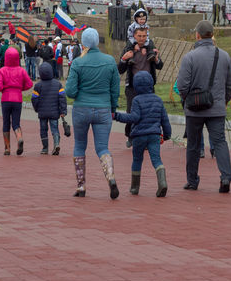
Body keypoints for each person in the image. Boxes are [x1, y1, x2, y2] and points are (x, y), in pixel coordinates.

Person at [176, 20, 231, 193]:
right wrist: (223, 100)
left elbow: (182, 85)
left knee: (194, 145)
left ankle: (192, 180)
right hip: (216, 108)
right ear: (212, 34)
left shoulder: (190, 57)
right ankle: (225, 177)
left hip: (194, 110)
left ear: (197, 35)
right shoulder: (224, 56)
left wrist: (188, 99)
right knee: (220, 142)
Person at [65, 28, 121, 199]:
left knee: (79, 146)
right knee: (102, 147)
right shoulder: (110, 61)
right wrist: (112, 108)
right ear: (97, 42)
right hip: (103, 108)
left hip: (81, 108)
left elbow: (70, 91)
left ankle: (81, 186)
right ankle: (110, 177)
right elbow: (115, 89)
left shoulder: (77, 63)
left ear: (83, 43)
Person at [114, 71, 171, 197]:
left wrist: (117, 116)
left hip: (139, 136)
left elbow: (134, 117)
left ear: (136, 86)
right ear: (151, 84)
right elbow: (164, 119)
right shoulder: (158, 100)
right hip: (154, 135)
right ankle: (162, 182)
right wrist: (167, 134)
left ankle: (135, 187)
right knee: (156, 159)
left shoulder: (137, 100)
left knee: (137, 159)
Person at [118, 27, 163, 147]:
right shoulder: (129, 49)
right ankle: (130, 136)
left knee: (148, 113)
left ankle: (147, 138)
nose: (142, 39)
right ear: (134, 36)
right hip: (133, 87)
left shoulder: (150, 50)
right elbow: (120, 69)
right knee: (131, 112)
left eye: (144, 36)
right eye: (139, 36)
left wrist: (157, 59)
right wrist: (124, 59)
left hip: (148, 87)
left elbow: (160, 66)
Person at [0, 47, 33, 156]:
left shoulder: (2, 70)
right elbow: (29, 84)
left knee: (6, 123)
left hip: (6, 98)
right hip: (17, 98)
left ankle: (7, 148)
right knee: (16, 122)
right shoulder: (21, 70)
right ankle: (19, 137)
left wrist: (4, 90)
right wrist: (20, 89)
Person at [31, 62, 67, 156]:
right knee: (54, 129)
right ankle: (56, 144)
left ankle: (45, 148)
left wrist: (36, 108)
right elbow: (62, 98)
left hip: (42, 112)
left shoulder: (38, 86)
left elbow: (34, 99)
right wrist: (63, 111)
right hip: (54, 112)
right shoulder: (58, 84)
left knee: (43, 130)